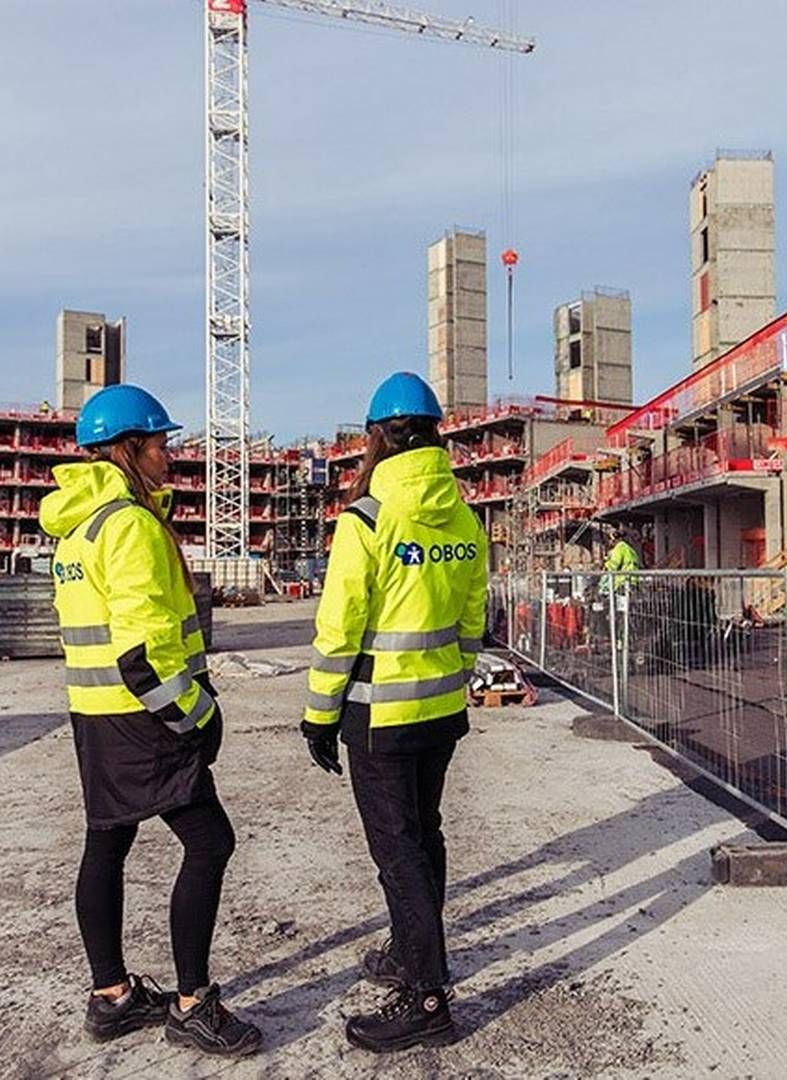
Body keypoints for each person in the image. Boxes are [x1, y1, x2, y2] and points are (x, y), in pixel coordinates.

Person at [39, 384, 261, 1056]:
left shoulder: (78, 528)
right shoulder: (131, 526)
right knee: (209, 842)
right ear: (129, 448)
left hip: (95, 717)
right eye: (162, 444)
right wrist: (197, 716)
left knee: (106, 840)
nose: (172, 456)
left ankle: (111, 996)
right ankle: (192, 1003)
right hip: (144, 717)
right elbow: (142, 653)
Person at [301, 372, 488, 1053]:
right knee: (425, 837)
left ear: (377, 437)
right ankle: (412, 956)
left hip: (379, 716)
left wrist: (319, 716)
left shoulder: (369, 519)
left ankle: (428, 997)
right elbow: (472, 620)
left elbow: (339, 629)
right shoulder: (466, 519)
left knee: (397, 852)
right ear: (437, 434)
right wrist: (455, 680)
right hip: (440, 710)